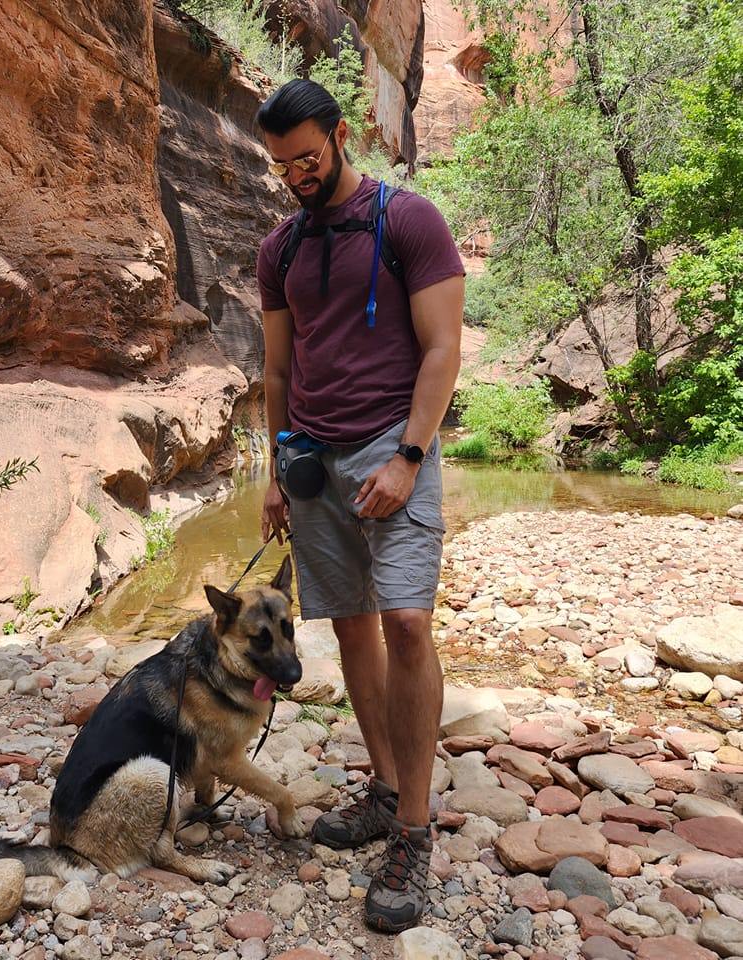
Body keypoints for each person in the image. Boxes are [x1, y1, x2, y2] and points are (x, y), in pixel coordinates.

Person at [255, 78, 465, 933]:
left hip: (391, 445)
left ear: (342, 136)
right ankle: (384, 790)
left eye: (306, 157)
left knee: (407, 623)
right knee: (348, 627)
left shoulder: (407, 220)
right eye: (280, 165)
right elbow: (275, 369)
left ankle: (413, 832)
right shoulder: (277, 249)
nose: (296, 174)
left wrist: (411, 455)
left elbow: (443, 347)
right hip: (310, 455)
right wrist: (274, 468)